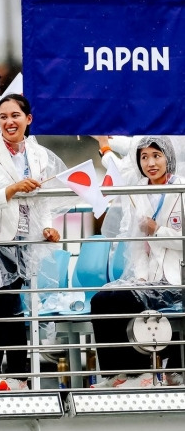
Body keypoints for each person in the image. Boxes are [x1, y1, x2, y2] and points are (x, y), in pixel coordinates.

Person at [0, 94, 65, 391]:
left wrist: (47, 227)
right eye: (3, 117)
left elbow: (42, 199)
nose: (9, 122)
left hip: (24, 240)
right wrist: (12, 188)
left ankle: (19, 376)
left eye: (15, 115)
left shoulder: (38, 155)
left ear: (28, 119)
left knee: (17, 306)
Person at [91, 136, 184, 389]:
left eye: (156, 156)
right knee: (101, 299)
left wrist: (157, 230)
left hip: (178, 279)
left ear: (168, 158)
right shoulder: (138, 194)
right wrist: (141, 279)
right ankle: (116, 374)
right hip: (152, 279)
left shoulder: (182, 189)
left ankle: (139, 373)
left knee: (125, 300)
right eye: (144, 157)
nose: (151, 163)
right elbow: (138, 246)